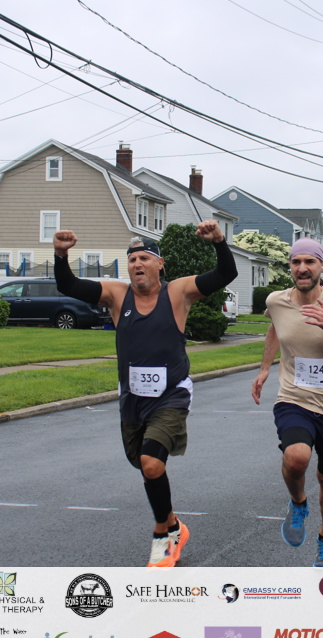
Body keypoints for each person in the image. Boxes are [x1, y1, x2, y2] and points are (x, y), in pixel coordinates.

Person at [53, 221, 237, 567]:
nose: (137, 264)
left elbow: (225, 274)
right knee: (144, 465)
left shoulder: (178, 292)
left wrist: (219, 242)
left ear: (159, 263)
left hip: (171, 395)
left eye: (144, 258)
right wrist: (61, 254)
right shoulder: (116, 294)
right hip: (133, 398)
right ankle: (174, 524)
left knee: (152, 464)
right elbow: (68, 285)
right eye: (132, 259)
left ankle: (162, 536)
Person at [251, 238, 323, 568]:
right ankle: (298, 502)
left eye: (309, 262)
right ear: (290, 266)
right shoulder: (277, 301)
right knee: (296, 458)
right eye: (296, 262)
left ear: (322, 267)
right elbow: (276, 327)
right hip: (294, 398)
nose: (302, 268)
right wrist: (264, 369)